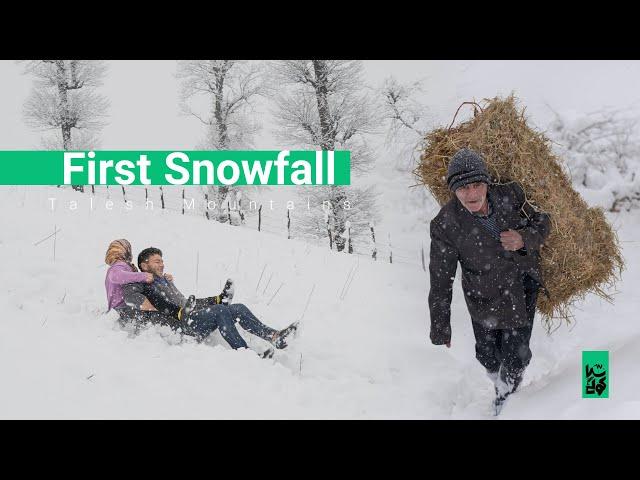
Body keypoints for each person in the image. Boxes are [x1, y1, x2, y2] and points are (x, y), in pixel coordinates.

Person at [428, 148, 551, 414]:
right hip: (482, 295)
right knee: (487, 356)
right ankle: (499, 382)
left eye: (476, 185)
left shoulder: (512, 195)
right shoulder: (445, 225)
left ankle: (506, 400)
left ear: (486, 182)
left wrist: (524, 238)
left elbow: (543, 221)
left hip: (521, 287)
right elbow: (440, 279)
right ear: (453, 190)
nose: (471, 194)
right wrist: (440, 327)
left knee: (516, 355)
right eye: (463, 188)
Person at [122, 247, 297, 353]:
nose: (162, 264)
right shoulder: (140, 283)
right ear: (144, 265)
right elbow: (129, 297)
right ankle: (244, 353)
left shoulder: (165, 282)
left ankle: (275, 337)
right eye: (157, 261)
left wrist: (216, 299)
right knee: (221, 311)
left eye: (162, 261)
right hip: (179, 328)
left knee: (238, 308)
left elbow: (186, 305)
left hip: (190, 319)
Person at [104, 238, 178, 329]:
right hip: (123, 309)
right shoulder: (118, 265)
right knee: (158, 317)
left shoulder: (124, 266)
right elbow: (116, 276)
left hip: (125, 309)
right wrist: (143, 276)